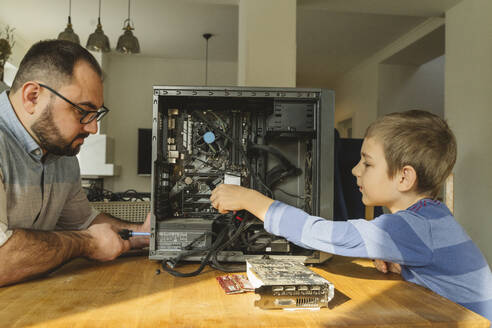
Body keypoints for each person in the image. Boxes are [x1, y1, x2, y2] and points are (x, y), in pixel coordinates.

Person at [210, 110, 492, 321]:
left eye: (367, 163)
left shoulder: (413, 227)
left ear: (405, 177)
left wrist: (251, 199)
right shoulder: (430, 219)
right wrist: (405, 265)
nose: (355, 170)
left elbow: (323, 233)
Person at [0, 40, 150, 287]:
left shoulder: (63, 155)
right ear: (33, 96)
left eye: (96, 114)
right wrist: (87, 243)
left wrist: (142, 233)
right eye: (82, 111)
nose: (93, 127)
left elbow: (83, 222)